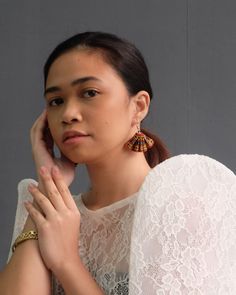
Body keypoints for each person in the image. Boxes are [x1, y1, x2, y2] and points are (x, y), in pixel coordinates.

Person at [0, 31, 235, 295]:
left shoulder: (179, 207)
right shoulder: (55, 214)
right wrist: (49, 184)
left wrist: (67, 262)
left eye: (89, 93)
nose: (68, 114)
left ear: (139, 106)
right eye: (56, 101)